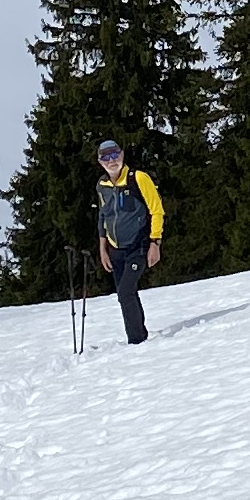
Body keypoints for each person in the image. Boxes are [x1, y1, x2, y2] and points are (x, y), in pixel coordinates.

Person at [93, 136, 165, 345]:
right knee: (126, 294)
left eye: (115, 155)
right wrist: (103, 248)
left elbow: (157, 210)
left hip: (139, 245)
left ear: (122, 155)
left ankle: (136, 341)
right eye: (105, 158)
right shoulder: (102, 185)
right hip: (115, 250)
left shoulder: (138, 178)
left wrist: (155, 243)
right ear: (100, 162)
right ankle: (138, 337)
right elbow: (103, 215)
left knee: (125, 292)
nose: (111, 160)